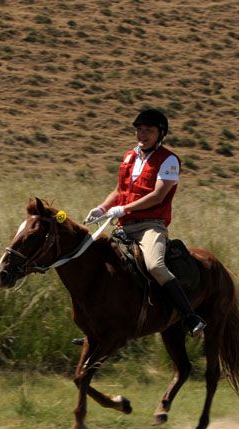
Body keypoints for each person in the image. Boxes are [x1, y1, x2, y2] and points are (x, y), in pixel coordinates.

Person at [85, 109, 206, 336]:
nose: (142, 134)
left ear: (160, 133)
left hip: (150, 226)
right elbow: (120, 190)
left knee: (154, 266)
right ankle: (98, 323)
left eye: (148, 130)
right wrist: (102, 207)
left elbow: (158, 196)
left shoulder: (169, 160)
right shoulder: (129, 156)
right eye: (139, 129)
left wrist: (124, 208)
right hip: (123, 227)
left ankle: (190, 317)